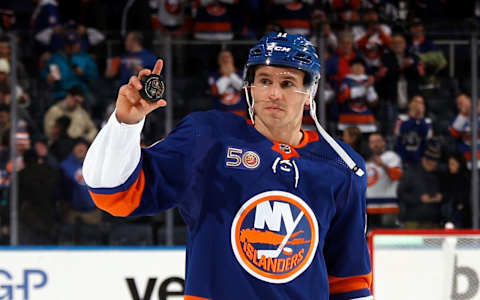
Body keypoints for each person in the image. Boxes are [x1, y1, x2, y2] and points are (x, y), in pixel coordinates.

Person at [83, 32, 372, 299]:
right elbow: (113, 195)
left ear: (309, 92)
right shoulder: (208, 138)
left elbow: (349, 281)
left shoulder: (341, 165)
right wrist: (125, 124)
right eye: (264, 81)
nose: (273, 93)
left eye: (287, 83)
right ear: (250, 87)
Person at [397, 142, 443, 229]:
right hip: (413, 219)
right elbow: (401, 193)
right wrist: (419, 199)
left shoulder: (438, 174)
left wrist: (440, 197)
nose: (433, 167)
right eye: (431, 164)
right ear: (425, 160)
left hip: (433, 219)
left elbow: (446, 192)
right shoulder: (410, 173)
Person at [366, 132, 403, 229]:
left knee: (388, 237)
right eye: (372, 142)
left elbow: (397, 176)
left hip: (388, 206)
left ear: (384, 143)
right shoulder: (365, 160)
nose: (375, 144)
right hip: (369, 207)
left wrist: (383, 165)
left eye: (378, 141)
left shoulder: (392, 157)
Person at [394, 95, 433, 166]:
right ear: (410, 104)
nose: (418, 105)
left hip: (420, 159)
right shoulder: (401, 118)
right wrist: (412, 118)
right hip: (402, 157)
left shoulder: (427, 121)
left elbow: (427, 135)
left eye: (421, 103)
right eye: (416, 102)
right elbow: (398, 132)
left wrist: (420, 118)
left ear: (424, 107)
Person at [208, 49, 246, 117]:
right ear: (218, 61)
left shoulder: (241, 74)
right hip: (220, 113)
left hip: (240, 112)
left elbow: (243, 89)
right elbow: (218, 91)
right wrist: (226, 75)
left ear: (232, 59)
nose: (225, 59)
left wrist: (231, 74)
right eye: (222, 57)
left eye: (227, 57)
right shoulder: (213, 76)